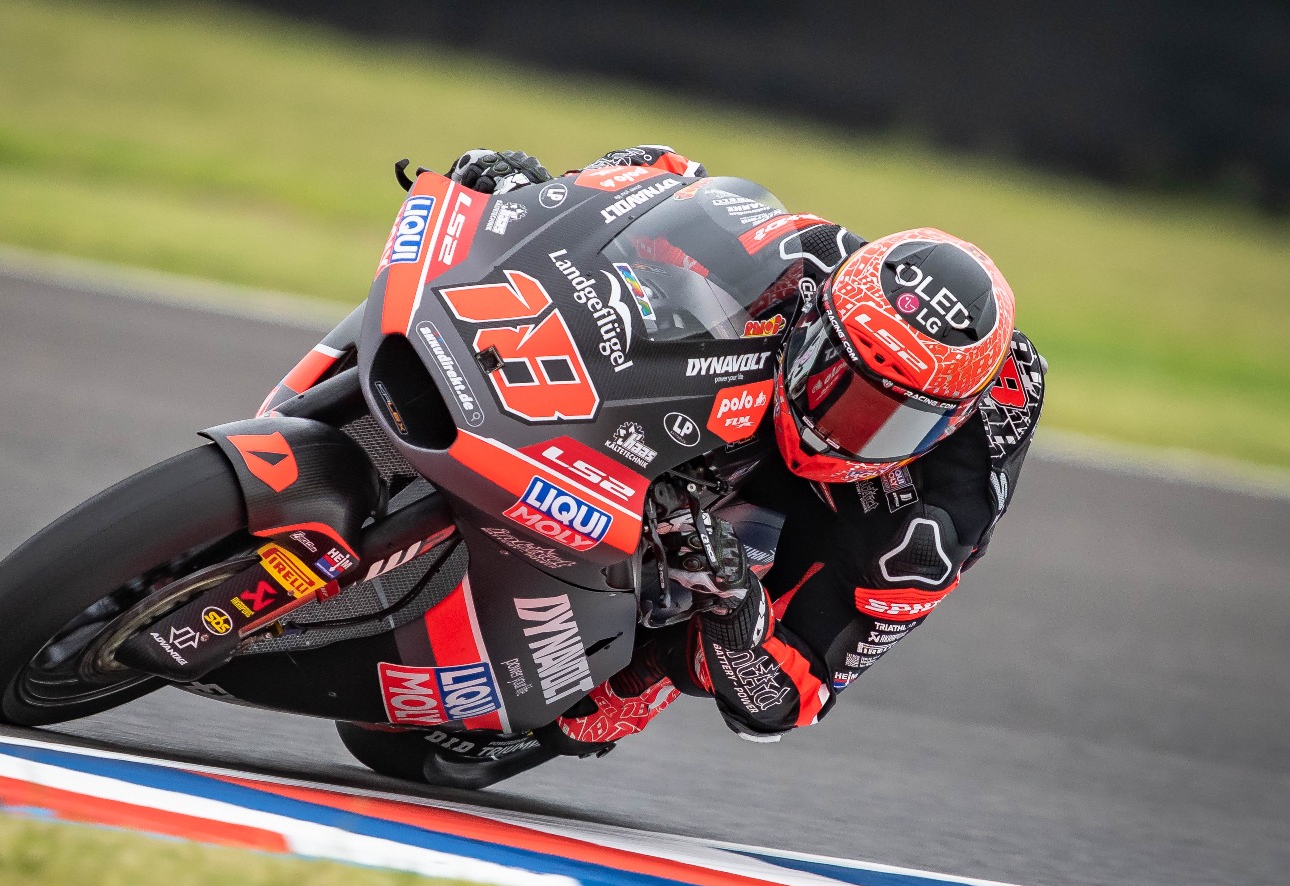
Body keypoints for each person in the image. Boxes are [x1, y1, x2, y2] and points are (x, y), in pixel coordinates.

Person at [441, 145, 1046, 757]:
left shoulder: (929, 532)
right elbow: (661, 184)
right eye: (832, 376)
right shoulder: (815, 259)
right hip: (758, 390)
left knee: (585, 716)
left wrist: (733, 606)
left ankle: (637, 660)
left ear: (946, 424)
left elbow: (789, 702)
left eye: (884, 422)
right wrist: (538, 195)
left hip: (828, 518)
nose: (834, 428)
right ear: (822, 321)